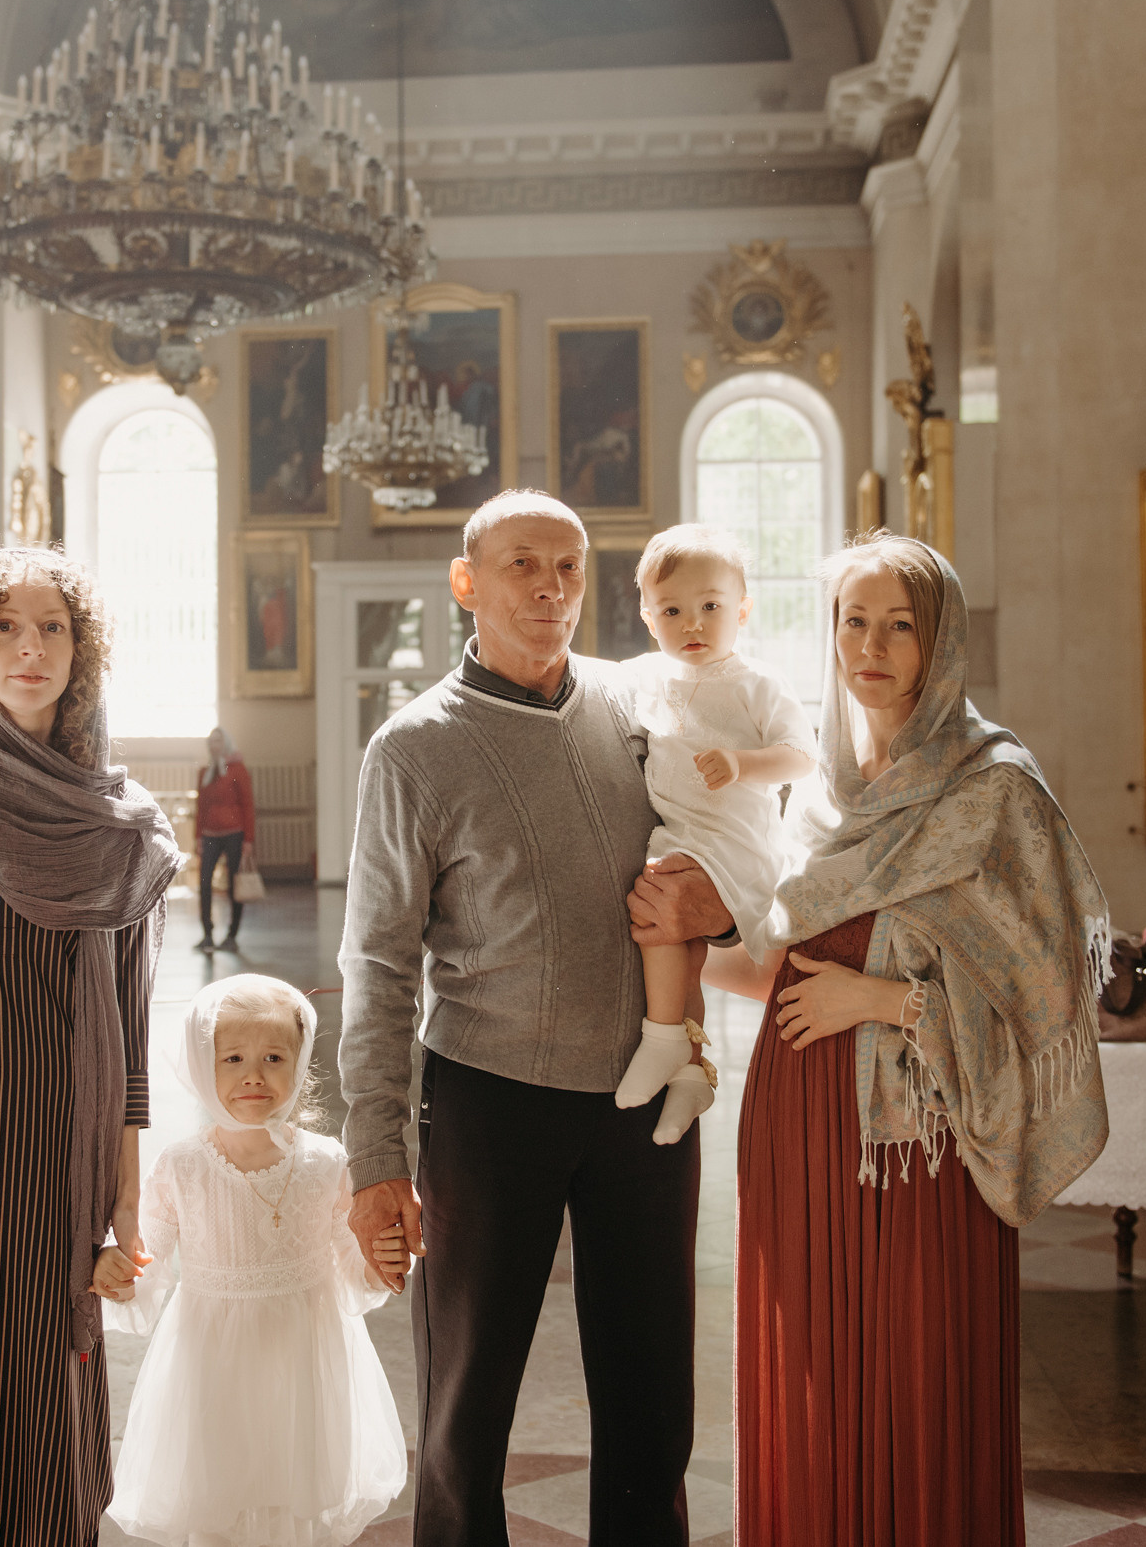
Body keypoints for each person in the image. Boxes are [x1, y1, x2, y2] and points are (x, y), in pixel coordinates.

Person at [339, 490, 733, 1546]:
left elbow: (734, 843)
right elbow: (377, 961)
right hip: (486, 1100)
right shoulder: (414, 749)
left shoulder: (641, 710)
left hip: (642, 1106)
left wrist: (725, 903)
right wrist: (375, 1150)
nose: (552, 587)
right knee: (465, 1416)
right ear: (466, 582)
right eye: (523, 565)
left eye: (568, 565)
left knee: (653, 1406)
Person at [704, 532, 1110, 1545]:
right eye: (853, 620)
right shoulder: (821, 789)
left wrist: (887, 1005)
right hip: (797, 1122)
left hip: (924, 1143)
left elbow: (1048, 985)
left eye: (901, 626)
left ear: (943, 643)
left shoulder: (996, 787)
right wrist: (667, 932)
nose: (871, 647)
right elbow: (786, 963)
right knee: (814, 1378)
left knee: (921, 1370)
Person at [0, 542, 182, 1547]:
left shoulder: (113, 814)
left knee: (50, 1380)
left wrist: (126, 1195)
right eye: (1, 625)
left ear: (80, 649)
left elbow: (132, 1021)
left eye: (53, 626)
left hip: (63, 1142)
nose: (29, 647)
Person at [96, 974, 407, 1547]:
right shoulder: (182, 1166)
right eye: (232, 1057)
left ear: (300, 1062)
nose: (254, 1075)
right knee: (218, 1498)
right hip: (212, 1365)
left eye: (273, 1056)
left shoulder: (327, 1162)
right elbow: (149, 1265)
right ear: (200, 1065)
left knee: (297, 1499)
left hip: (305, 1361)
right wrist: (118, 1275)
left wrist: (375, 1261)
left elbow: (349, 1268)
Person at [611, 525, 816, 1145]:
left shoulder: (756, 683)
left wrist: (743, 764)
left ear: (743, 611)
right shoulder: (644, 677)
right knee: (665, 920)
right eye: (671, 610)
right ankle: (691, 1072)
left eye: (711, 607)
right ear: (649, 618)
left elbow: (802, 756)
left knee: (661, 902)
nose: (692, 624)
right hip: (678, 834)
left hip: (737, 841)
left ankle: (664, 1038)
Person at [196, 726, 256, 951]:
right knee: (204, 882)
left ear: (226, 744)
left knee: (234, 885)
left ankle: (232, 935)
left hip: (234, 833)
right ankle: (207, 935)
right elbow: (200, 806)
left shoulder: (237, 769)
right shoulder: (205, 771)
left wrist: (248, 839)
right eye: (211, 741)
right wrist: (198, 836)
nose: (214, 745)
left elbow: (248, 804)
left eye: (218, 741)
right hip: (210, 834)